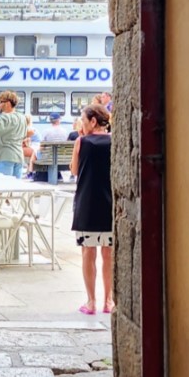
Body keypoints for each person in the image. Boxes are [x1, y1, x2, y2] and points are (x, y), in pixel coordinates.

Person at [70, 104, 113, 315]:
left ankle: (91, 301)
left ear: (93, 121)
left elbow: (74, 170)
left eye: (83, 119)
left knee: (88, 253)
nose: (82, 123)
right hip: (109, 204)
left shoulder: (81, 141)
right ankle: (109, 301)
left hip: (87, 203)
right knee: (109, 253)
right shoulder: (115, 141)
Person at [0, 90, 28, 177]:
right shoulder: (22, 117)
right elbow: (25, 135)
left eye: (1, 102)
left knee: (3, 186)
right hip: (19, 156)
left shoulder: (5, 117)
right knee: (16, 188)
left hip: (5, 156)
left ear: (8, 103)